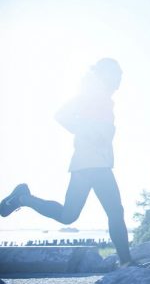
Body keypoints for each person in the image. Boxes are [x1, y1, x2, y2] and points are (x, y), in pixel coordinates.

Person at [0, 58, 134, 266]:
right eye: (117, 75)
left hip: (92, 164)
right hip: (92, 164)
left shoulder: (104, 99)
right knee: (115, 211)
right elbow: (61, 115)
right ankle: (126, 263)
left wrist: (94, 133)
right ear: (106, 74)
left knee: (68, 215)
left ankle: (23, 199)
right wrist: (87, 132)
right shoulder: (90, 95)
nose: (119, 81)